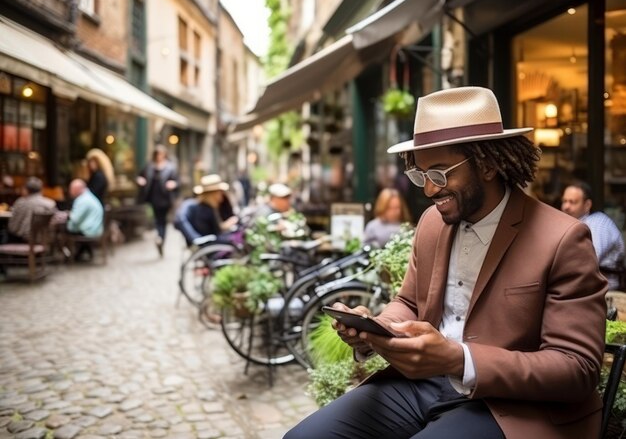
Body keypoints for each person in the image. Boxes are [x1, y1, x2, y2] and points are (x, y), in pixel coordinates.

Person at [285, 86, 607, 439]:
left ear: (487, 164)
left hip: (509, 405)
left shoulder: (563, 238)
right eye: (420, 175)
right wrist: (376, 330)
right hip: (421, 385)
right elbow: (408, 302)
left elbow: (577, 368)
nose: (428, 190)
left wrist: (458, 359)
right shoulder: (432, 223)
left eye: (440, 174)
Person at [561, 180, 625, 290]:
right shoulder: (570, 224)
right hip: (583, 286)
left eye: (572, 202)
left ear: (587, 205)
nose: (566, 206)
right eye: (564, 201)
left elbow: (589, 261)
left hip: (605, 292)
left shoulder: (597, 222)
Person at [136, 144, 179, 256]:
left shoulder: (170, 167)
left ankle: (161, 238)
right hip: (153, 198)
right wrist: (140, 181)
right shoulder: (149, 166)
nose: (159, 156)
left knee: (163, 220)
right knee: (157, 219)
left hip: (165, 198)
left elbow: (177, 182)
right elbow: (140, 176)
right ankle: (160, 238)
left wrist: (173, 184)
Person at [174, 174, 239, 247]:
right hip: (211, 245)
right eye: (219, 192)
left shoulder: (203, 207)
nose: (221, 196)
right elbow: (214, 232)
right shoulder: (204, 210)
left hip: (210, 243)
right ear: (213, 194)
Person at [7, 177, 57, 243]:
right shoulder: (51, 203)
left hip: (24, 242)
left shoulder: (21, 202)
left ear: (26, 190)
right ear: (41, 189)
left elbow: (12, 228)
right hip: (46, 242)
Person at [66, 179, 104, 261]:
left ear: (78, 189)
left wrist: (66, 218)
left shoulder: (82, 200)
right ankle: (82, 253)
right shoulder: (89, 196)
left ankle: (70, 255)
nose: (70, 192)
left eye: (71, 189)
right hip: (96, 229)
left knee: (65, 231)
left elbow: (75, 219)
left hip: (90, 230)